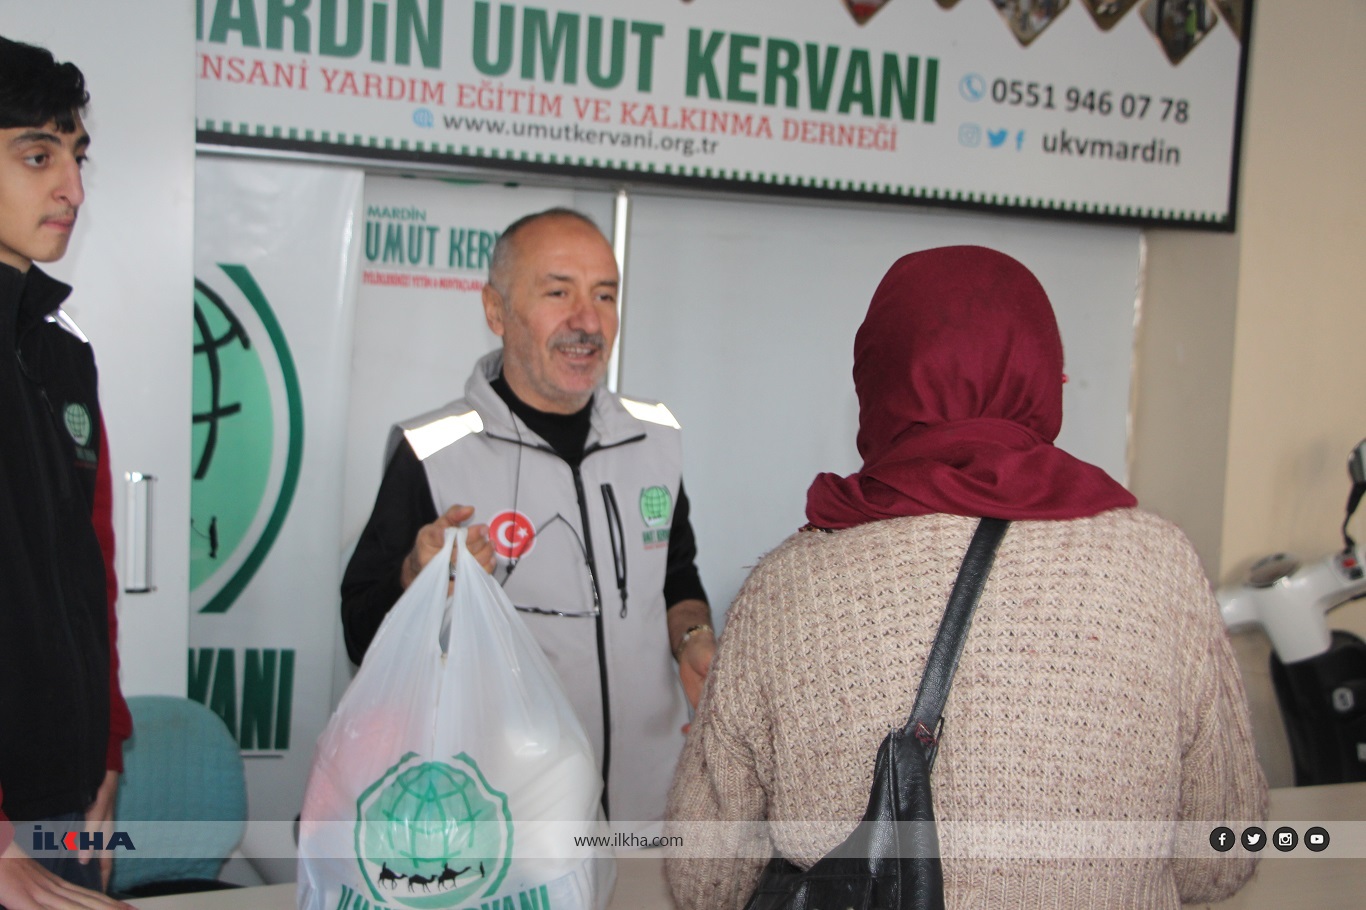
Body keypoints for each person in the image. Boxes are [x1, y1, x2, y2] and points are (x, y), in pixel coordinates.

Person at [664, 246, 1267, 909]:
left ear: (879, 382)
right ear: (1043, 375)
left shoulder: (783, 590)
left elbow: (707, 881)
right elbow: (1221, 857)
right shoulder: (1160, 566)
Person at [342, 208, 715, 829]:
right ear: (496, 311)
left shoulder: (656, 440)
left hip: (651, 814)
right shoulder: (432, 451)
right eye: (557, 292)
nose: (587, 321)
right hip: (503, 824)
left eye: (604, 294)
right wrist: (415, 577)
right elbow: (360, 630)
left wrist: (692, 638)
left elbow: (677, 579)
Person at [0, 36, 134, 910]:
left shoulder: (58, 351)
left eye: (76, 157)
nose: (72, 190)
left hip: (68, 798)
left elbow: (93, 569)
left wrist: (109, 756)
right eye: (36, 156)